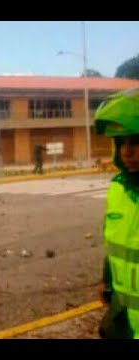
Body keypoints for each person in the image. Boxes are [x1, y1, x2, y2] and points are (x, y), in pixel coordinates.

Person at [94, 87, 139, 338]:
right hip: (124, 311)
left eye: (136, 142)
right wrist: (107, 281)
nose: (127, 151)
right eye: (122, 142)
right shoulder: (118, 189)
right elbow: (116, 245)